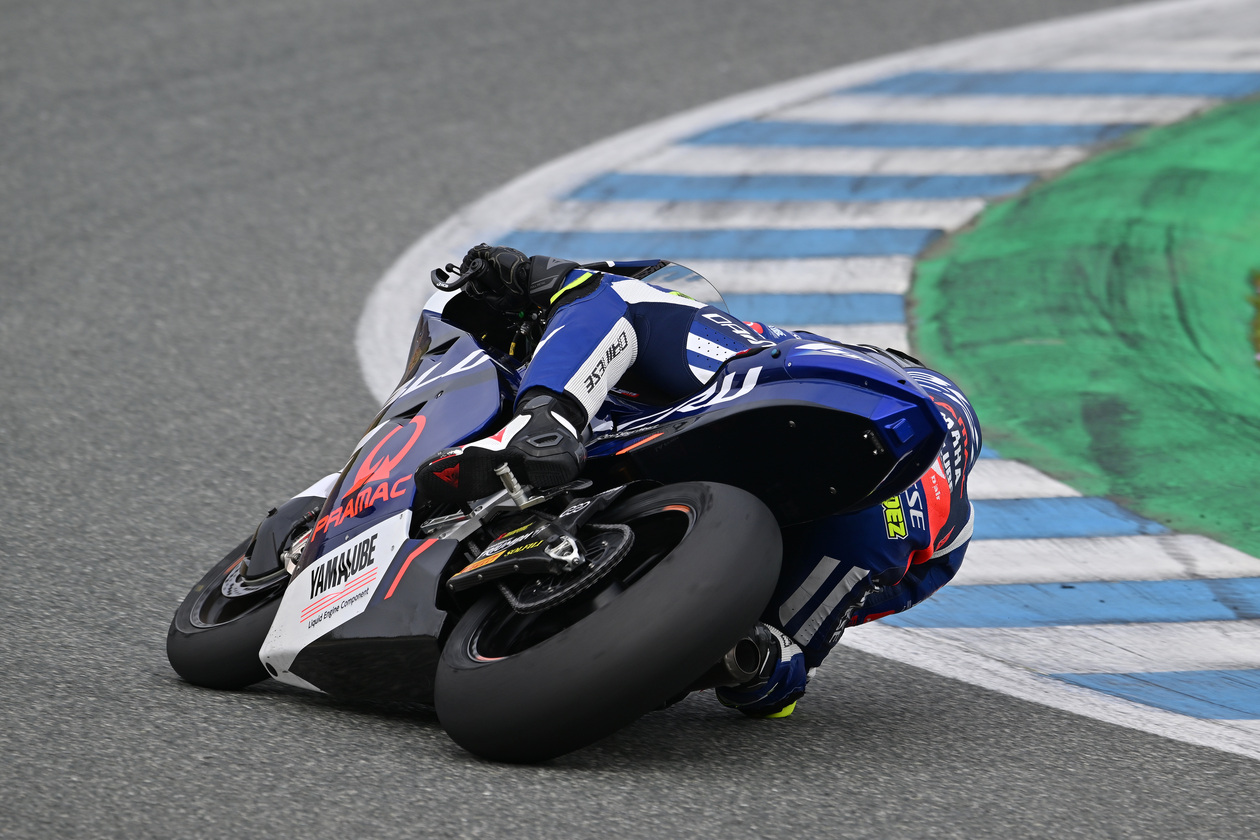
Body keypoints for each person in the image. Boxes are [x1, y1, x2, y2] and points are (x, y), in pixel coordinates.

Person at [415, 244, 981, 719]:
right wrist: (752, 659)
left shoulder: (757, 343)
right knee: (775, 660)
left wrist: (523, 274)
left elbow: (605, 295)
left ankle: (545, 424)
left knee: (614, 300)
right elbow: (794, 664)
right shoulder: (940, 537)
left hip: (872, 486)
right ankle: (724, 645)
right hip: (885, 524)